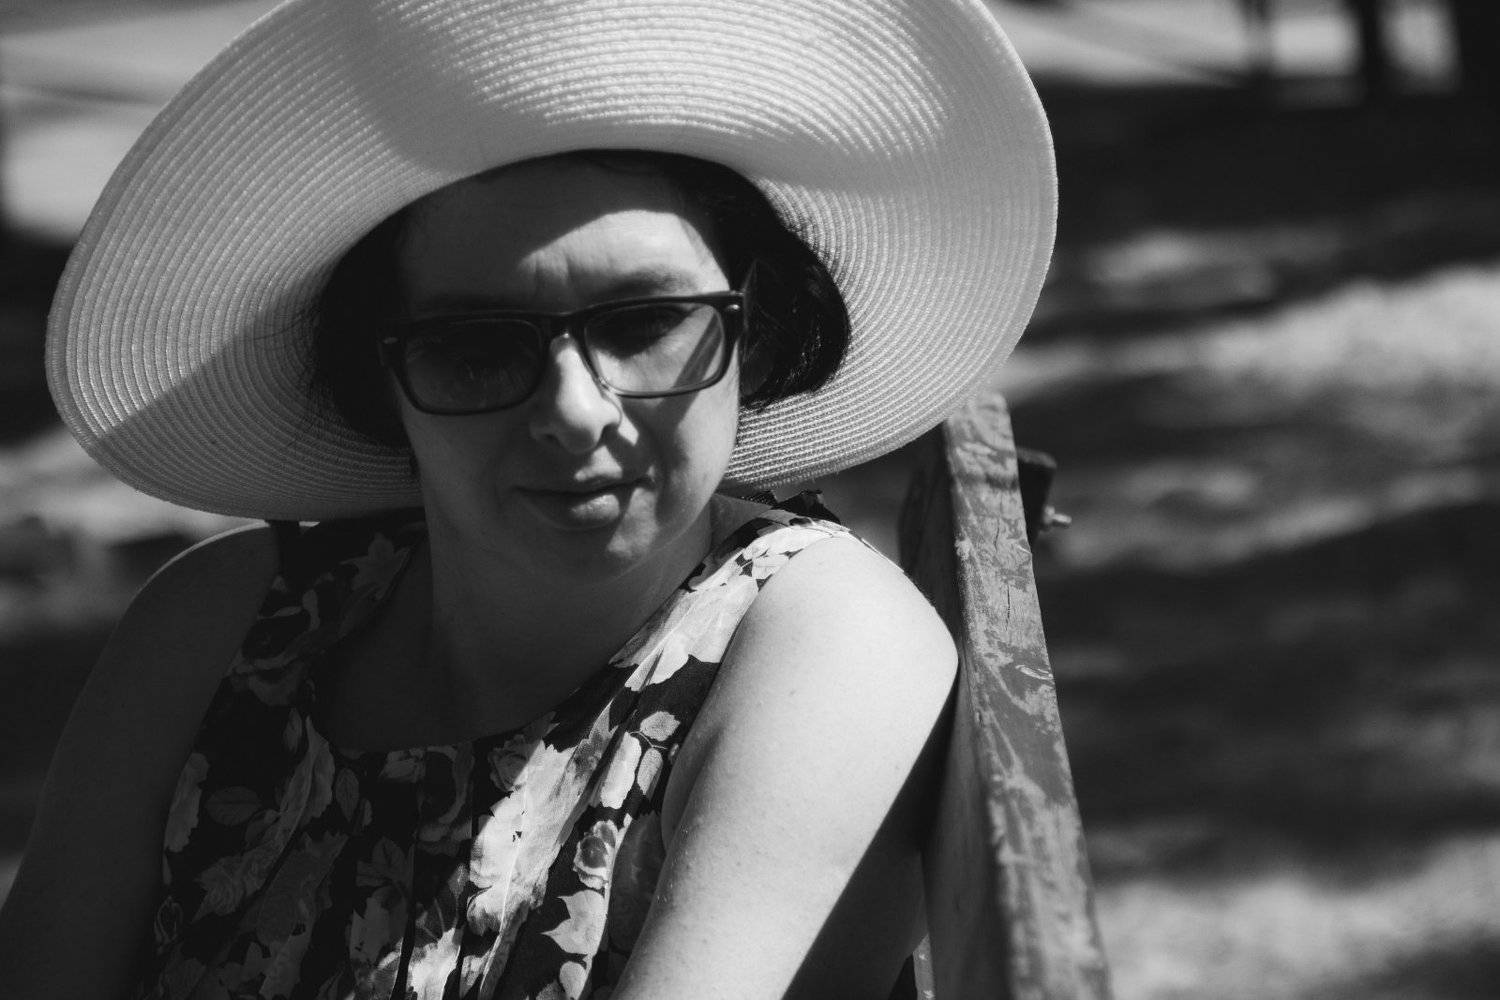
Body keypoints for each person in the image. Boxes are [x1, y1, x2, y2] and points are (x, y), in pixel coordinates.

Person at [0, 0, 1056, 997]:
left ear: (759, 331)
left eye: (644, 322)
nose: (575, 413)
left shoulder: (825, 645)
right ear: (380, 379)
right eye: (475, 346)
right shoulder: (223, 624)